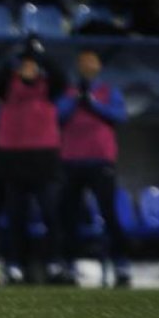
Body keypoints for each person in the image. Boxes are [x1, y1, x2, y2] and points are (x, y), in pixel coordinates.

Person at [0, 39, 67, 284]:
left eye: (32, 65)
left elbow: (62, 78)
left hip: (44, 157)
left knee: (51, 213)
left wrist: (41, 55)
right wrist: (14, 57)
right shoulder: (8, 85)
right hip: (14, 158)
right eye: (25, 64)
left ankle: (54, 263)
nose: (28, 69)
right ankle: (15, 265)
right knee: (15, 216)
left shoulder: (48, 86)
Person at [57, 50, 130, 286]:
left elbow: (120, 115)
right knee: (69, 215)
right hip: (72, 160)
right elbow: (58, 115)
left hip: (100, 160)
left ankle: (121, 266)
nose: (87, 65)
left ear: (98, 66)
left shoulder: (108, 91)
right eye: (83, 62)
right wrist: (77, 99)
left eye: (91, 61)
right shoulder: (69, 91)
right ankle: (68, 266)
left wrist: (93, 104)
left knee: (109, 213)